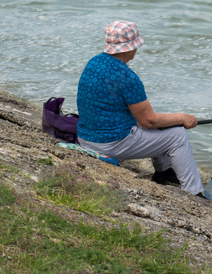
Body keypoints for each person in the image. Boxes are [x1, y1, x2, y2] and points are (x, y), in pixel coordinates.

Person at [76, 20, 204, 196]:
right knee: (178, 135)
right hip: (109, 144)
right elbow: (149, 121)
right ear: (130, 47)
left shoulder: (94, 63)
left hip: (86, 137)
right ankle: (195, 192)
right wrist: (182, 118)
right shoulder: (126, 76)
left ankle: (164, 173)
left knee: (161, 120)